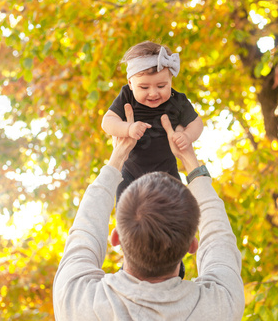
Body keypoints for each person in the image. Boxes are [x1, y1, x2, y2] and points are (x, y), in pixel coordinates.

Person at [53, 105, 245, 320]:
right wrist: (190, 159)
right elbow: (219, 238)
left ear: (116, 237)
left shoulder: (77, 301)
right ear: (192, 245)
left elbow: (85, 230)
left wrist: (118, 156)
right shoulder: (220, 305)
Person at [101, 41, 203, 199]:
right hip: (131, 172)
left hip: (167, 172)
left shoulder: (177, 100)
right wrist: (127, 129)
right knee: (125, 206)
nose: (154, 93)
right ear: (130, 84)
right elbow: (107, 122)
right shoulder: (127, 96)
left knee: (176, 207)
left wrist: (188, 136)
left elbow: (197, 123)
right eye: (144, 87)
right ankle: (122, 225)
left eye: (162, 86)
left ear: (171, 81)